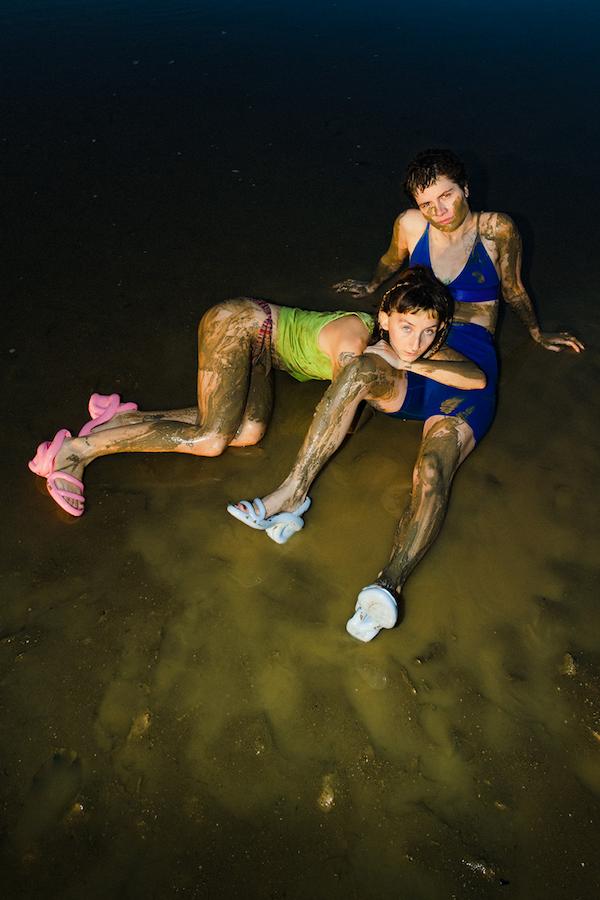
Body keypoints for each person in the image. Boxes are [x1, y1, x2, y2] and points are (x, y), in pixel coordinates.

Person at [230, 148, 584, 642]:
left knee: (433, 470)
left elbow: (513, 288)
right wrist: (372, 286)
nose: (440, 210)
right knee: (356, 373)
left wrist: (537, 333)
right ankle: (293, 492)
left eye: (447, 196)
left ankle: (388, 584)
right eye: (427, 202)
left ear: (466, 189)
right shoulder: (411, 225)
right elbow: (390, 260)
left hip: (465, 363)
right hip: (409, 339)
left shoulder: (495, 229)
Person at [28, 272, 474, 519]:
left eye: (427, 333)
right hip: (238, 324)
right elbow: (343, 408)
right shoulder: (355, 343)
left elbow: (473, 378)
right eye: (407, 328)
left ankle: (124, 419)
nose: (415, 342)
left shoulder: (391, 346)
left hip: (263, 353)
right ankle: (75, 450)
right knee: (211, 439)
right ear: (386, 318)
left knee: (246, 432)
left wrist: (408, 365)